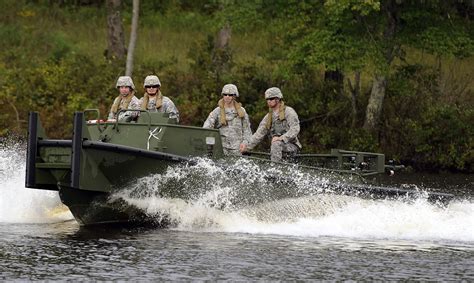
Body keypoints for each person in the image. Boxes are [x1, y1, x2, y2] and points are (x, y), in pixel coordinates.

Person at [240, 87, 301, 162]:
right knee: (275, 144)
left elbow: (295, 129)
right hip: (278, 149)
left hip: (291, 146)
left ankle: (275, 168)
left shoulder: (289, 112)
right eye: (267, 99)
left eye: (271, 99)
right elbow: (259, 134)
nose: (269, 101)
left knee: (276, 144)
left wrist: (281, 138)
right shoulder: (268, 117)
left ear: (277, 99)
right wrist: (247, 147)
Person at [203, 84, 252, 156]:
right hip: (221, 148)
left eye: (230, 95)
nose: (227, 97)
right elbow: (206, 128)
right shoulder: (217, 111)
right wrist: (212, 142)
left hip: (238, 149)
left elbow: (247, 130)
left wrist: (245, 143)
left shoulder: (241, 111)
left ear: (234, 96)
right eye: (225, 94)